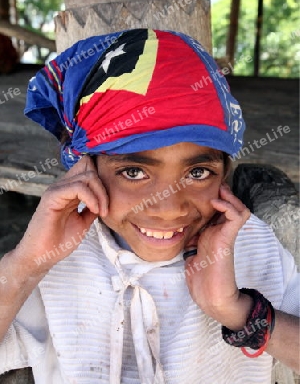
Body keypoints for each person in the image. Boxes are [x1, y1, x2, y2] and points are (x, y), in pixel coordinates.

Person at [0, 29, 298, 384]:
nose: (170, 208)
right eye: (134, 171)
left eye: (199, 171)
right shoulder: (58, 259)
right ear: (84, 168)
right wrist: (25, 266)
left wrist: (236, 310)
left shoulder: (251, 246)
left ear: (225, 173)